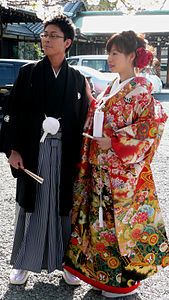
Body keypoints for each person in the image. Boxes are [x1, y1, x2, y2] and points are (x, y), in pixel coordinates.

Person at [63, 30, 169, 298]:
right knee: (102, 224)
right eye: (109, 52)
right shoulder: (113, 86)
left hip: (123, 173)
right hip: (102, 169)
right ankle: (103, 276)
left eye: (115, 53)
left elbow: (152, 125)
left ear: (132, 56)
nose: (109, 58)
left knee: (119, 225)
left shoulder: (141, 88)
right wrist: (92, 102)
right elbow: (100, 114)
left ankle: (122, 283)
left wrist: (118, 141)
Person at [0, 14, 89, 285]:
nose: (46, 39)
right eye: (45, 34)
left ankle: (66, 263)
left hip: (64, 153)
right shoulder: (28, 73)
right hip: (33, 152)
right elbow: (10, 113)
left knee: (63, 208)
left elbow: (85, 116)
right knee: (31, 206)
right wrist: (12, 150)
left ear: (68, 42)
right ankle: (23, 263)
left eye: (53, 35)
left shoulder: (76, 79)